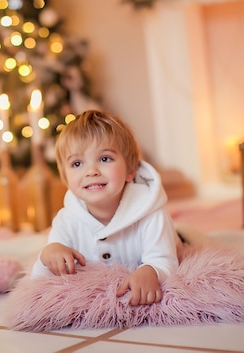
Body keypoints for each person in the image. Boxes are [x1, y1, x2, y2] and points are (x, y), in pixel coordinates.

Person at [30, 109, 179, 306]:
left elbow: (165, 261)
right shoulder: (66, 220)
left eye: (104, 159)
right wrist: (47, 256)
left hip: (169, 236)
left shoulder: (151, 213)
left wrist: (151, 270)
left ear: (130, 170)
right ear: (66, 179)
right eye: (77, 163)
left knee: (182, 241)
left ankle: (181, 235)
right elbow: (38, 280)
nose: (91, 171)